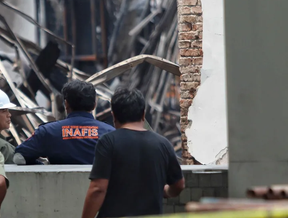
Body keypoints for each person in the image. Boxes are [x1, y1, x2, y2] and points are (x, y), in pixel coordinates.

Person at [81, 88, 184, 218]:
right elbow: (179, 185)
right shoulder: (163, 144)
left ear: (114, 115)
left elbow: (98, 189)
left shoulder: (108, 142)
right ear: (143, 114)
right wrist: (166, 191)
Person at [14, 80, 115, 165]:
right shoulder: (110, 133)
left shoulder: (48, 132)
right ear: (94, 105)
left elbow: (18, 157)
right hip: (100, 188)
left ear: (66, 104)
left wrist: (44, 168)